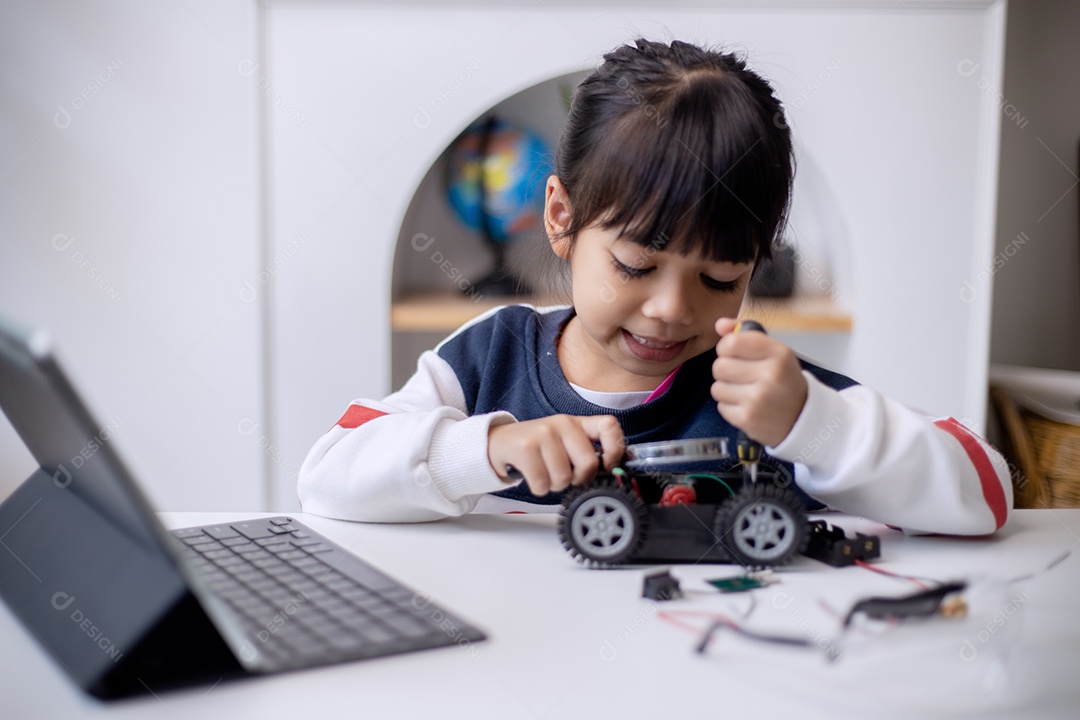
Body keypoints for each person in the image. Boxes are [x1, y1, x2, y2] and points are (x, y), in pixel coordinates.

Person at [298, 38, 1011, 534]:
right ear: (560, 218)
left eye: (720, 277)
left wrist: (814, 424)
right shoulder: (493, 356)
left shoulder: (766, 394)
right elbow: (326, 475)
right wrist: (482, 452)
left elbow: (987, 490)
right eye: (636, 265)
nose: (673, 310)